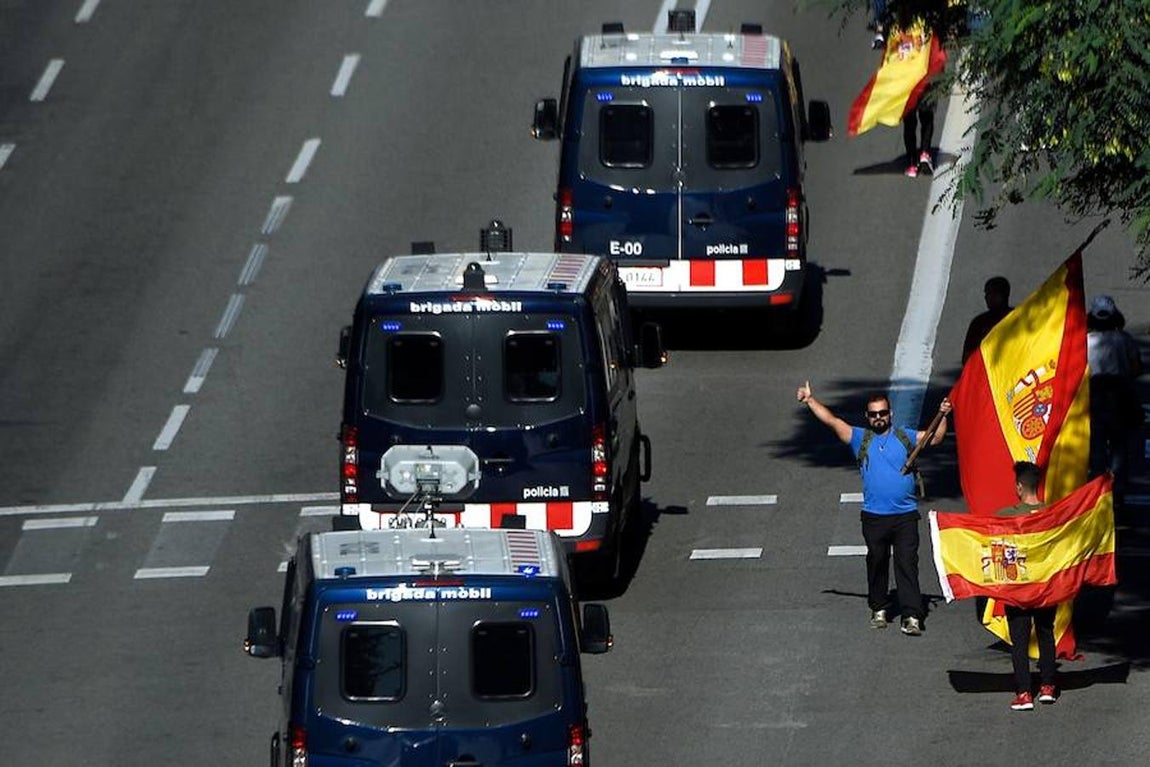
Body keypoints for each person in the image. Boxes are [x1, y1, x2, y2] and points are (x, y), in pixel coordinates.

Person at [796, 382, 951, 635]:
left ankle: (911, 615)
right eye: (874, 414)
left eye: (883, 413)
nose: (879, 418)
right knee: (877, 562)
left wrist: (943, 414)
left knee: (907, 563)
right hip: (874, 517)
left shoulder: (905, 436)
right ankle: (879, 607)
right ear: (868, 417)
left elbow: (936, 436)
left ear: (890, 414)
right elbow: (833, 421)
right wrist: (810, 401)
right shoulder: (860, 438)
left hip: (905, 516)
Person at [995, 461, 1058, 711]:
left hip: (1018, 589)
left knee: (1019, 641)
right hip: (1045, 587)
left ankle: (1023, 692)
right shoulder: (1052, 515)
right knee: (1045, 634)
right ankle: (1048, 687)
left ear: (1019, 487)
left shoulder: (1005, 516)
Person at [1086, 294, 1144, 510]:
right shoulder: (1124, 339)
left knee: (1096, 449)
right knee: (1119, 446)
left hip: (1094, 398)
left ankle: (1097, 495)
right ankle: (1116, 492)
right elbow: (1137, 369)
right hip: (1119, 397)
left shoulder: (1085, 341)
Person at [961, 276, 1012, 363]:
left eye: (991, 293)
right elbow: (967, 358)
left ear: (1002, 295)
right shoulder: (978, 323)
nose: (986, 297)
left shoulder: (1016, 320)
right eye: (986, 293)